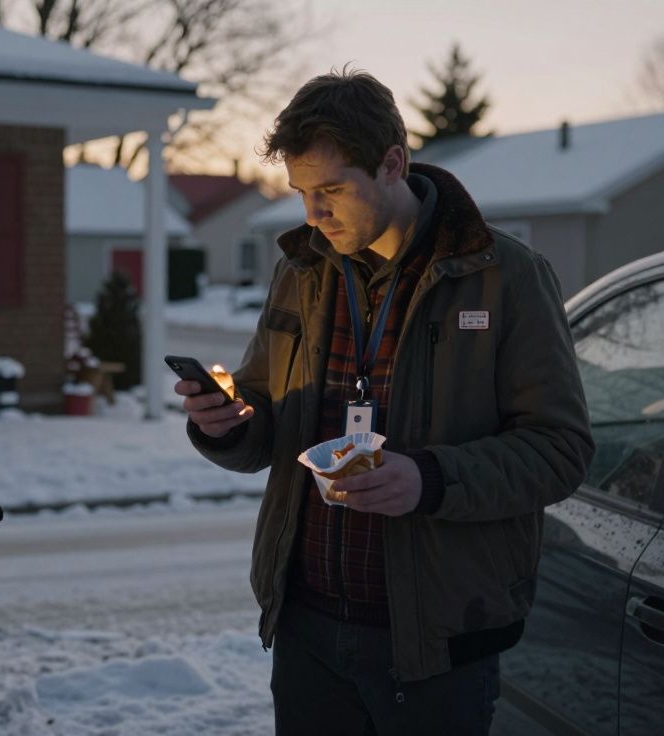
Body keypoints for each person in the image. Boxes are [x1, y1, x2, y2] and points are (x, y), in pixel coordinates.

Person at [176, 68, 594, 735]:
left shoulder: (505, 278)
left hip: (436, 641)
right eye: (302, 193)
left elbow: (560, 451)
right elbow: (264, 414)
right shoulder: (301, 272)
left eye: (332, 190)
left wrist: (429, 479)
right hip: (306, 628)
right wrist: (227, 424)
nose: (313, 215)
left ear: (393, 163)